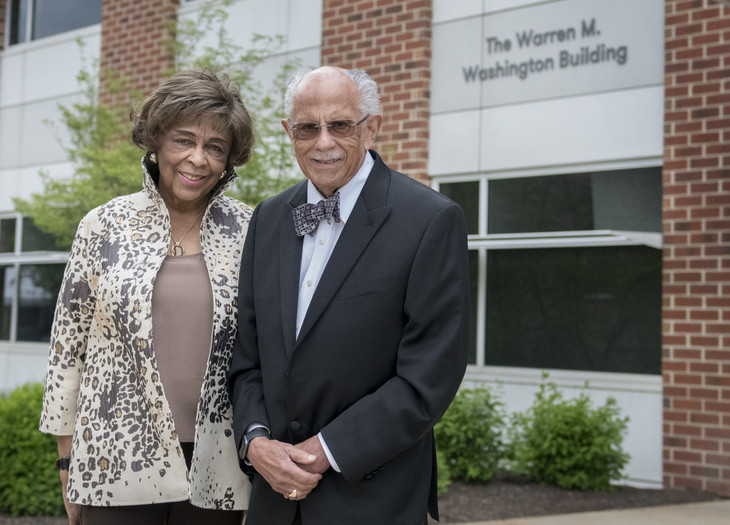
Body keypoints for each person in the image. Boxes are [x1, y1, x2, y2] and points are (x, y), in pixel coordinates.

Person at [227, 66, 470, 524]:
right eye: (307, 128)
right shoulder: (269, 218)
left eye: (340, 125)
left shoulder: (430, 220)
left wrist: (325, 450)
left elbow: (428, 377)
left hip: (374, 499)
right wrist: (256, 442)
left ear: (371, 127)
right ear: (289, 132)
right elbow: (247, 358)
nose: (323, 142)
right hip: (273, 503)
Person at [39, 69, 255, 525]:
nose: (198, 159)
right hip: (113, 457)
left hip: (219, 464)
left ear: (228, 160)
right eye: (184, 140)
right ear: (156, 141)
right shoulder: (103, 225)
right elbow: (66, 350)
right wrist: (66, 460)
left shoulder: (251, 230)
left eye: (215, 147)